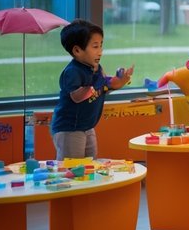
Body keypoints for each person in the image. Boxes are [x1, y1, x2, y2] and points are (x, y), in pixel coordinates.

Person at [50, 19, 134, 159]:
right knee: (72, 167)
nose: (100, 52)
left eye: (101, 46)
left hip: (87, 126)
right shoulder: (73, 72)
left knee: (91, 164)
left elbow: (107, 84)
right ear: (77, 50)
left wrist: (121, 81)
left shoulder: (96, 68)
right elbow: (77, 97)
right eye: (95, 47)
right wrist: (97, 81)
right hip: (69, 128)